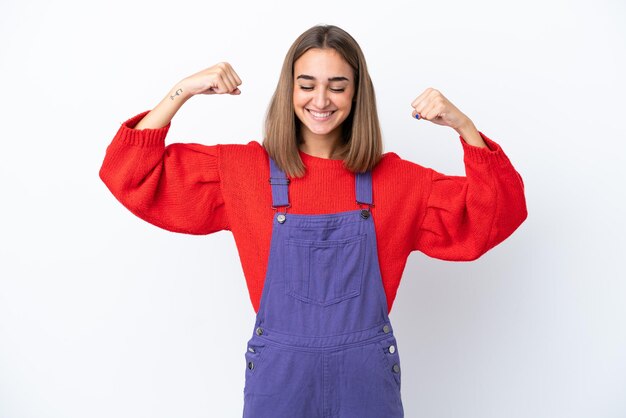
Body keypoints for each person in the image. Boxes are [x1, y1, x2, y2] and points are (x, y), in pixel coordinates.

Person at [99, 24, 527, 418]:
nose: (320, 101)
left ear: (357, 95)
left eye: (337, 87)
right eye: (307, 85)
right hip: (279, 385)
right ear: (288, 91)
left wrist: (463, 127)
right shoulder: (242, 172)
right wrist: (183, 90)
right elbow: (129, 174)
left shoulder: (399, 182)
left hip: (366, 386)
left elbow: (497, 216)